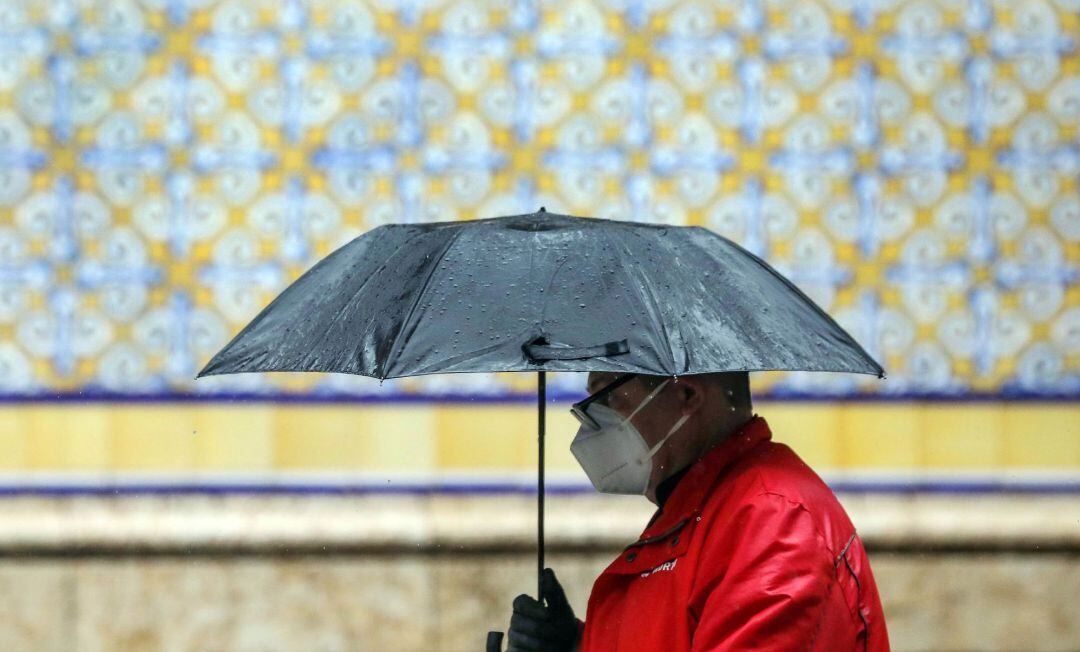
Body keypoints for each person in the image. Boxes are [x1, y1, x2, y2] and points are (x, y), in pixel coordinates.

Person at [504, 371, 889, 652]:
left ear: (686, 395)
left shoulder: (772, 521)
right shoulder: (698, 510)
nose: (592, 424)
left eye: (606, 398)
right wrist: (576, 646)